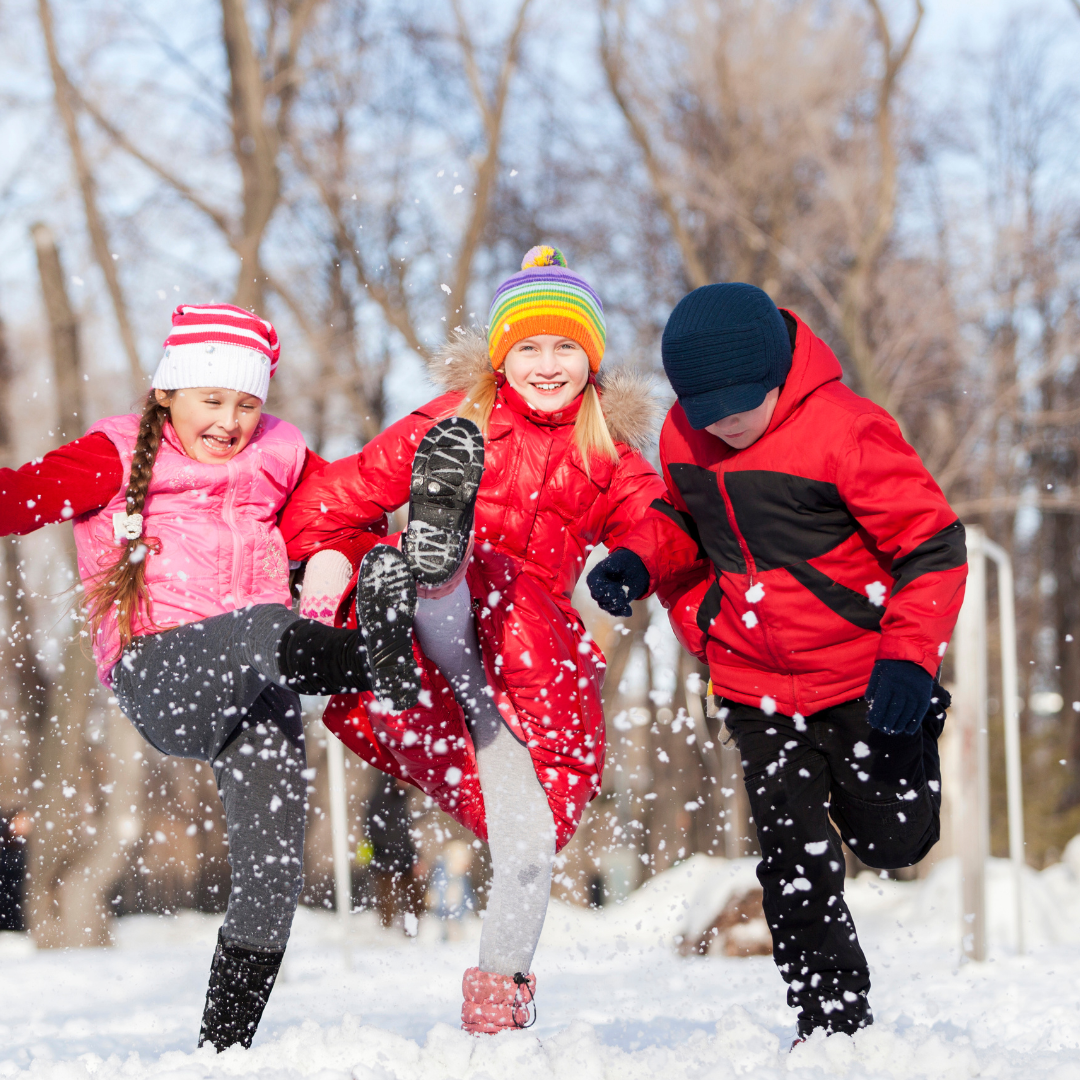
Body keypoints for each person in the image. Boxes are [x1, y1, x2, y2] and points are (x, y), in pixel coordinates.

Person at [0, 304, 420, 1050]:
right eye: (213, 401)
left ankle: (223, 1051)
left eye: (248, 404)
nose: (230, 421)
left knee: (274, 874)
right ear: (168, 394)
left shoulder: (282, 456)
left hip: (262, 686)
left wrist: (372, 552)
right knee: (263, 627)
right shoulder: (116, 453)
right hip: (160, 667)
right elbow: (19, 497)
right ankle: (373, 663)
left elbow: (341, 514)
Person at [280, 245, 667, 1033]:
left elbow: (661, 526)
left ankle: (499, 1001)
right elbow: (334, 499)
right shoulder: (453, 420)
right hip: (436, 644)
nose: (547, 364)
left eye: (566, 347)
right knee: (463, 584)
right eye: (529, 346)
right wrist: (331, 569)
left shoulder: (606, 454)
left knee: (531, 846)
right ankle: (430, 562)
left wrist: (632, 562)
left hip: (516, 681)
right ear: (502, 356)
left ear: (590, 360)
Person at [587, 283, 967, 1042]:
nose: (723, 424)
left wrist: (908, 659)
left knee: (897, 841)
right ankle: (830, 1024)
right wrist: (637, 560)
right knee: (792, 864)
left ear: (777, 373)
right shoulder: (684, 439)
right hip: (754, 684)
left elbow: (931, 546)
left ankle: (918, 723)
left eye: (739, 405)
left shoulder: (848, 432)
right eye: (705, 409)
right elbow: (679, 523)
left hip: (863, 674)